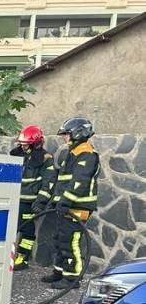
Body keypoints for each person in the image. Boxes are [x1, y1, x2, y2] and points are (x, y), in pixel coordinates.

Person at [41, 117, 99, 290]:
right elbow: (64, 182)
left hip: (78, 207)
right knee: (60, 240)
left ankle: (72, 279)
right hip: (67, 206)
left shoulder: (87, 154)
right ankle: (60, 273)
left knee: (70, 242)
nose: (64, 137)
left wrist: (65, 201)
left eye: (66, 134)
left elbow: (79, 182)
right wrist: (55, 201)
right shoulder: (73, 153)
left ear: (77, 133)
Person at [9, 125, 55, 271]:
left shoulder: (45, 158)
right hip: (13, 199)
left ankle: (23, 257)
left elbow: (49, 182)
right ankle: (9, 256)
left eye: (26, 144)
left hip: (30, 202)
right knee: (10, 228)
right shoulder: (17, 155)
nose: (22, 146)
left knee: (27, 230)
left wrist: (40, 202)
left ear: (35, 143)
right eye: (21, 143)